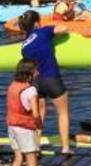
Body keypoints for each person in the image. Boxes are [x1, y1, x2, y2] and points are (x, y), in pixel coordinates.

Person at [18, 10, 72, 155]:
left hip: (36, 82)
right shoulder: (43, 32)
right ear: (36, 23)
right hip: (51, 78)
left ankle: (36, 147)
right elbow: (64, 28)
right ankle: (65, 147)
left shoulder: (24, 46)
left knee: (39, 114)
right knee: (62, 113)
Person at [6, 58, 50, 166]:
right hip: (25, 128)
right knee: (32, 161)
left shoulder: (12, 86)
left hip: (12, 126)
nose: (38, 72)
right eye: (36, 70)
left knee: (18, 159)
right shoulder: (31, 90)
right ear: (30, 73)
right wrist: (39, 127)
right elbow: (36, 114)